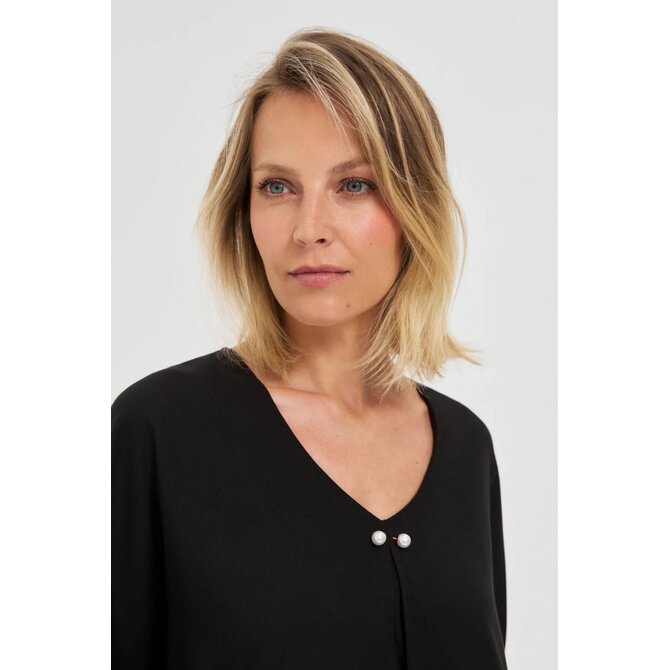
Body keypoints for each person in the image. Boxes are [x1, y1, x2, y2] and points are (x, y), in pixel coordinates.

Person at [112, 27, 507, 669]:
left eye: (354, 185)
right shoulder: (156, 430)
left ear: (416, 208)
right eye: (277, 187)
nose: (309, 229)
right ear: (242, 212)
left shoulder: (465, 448)